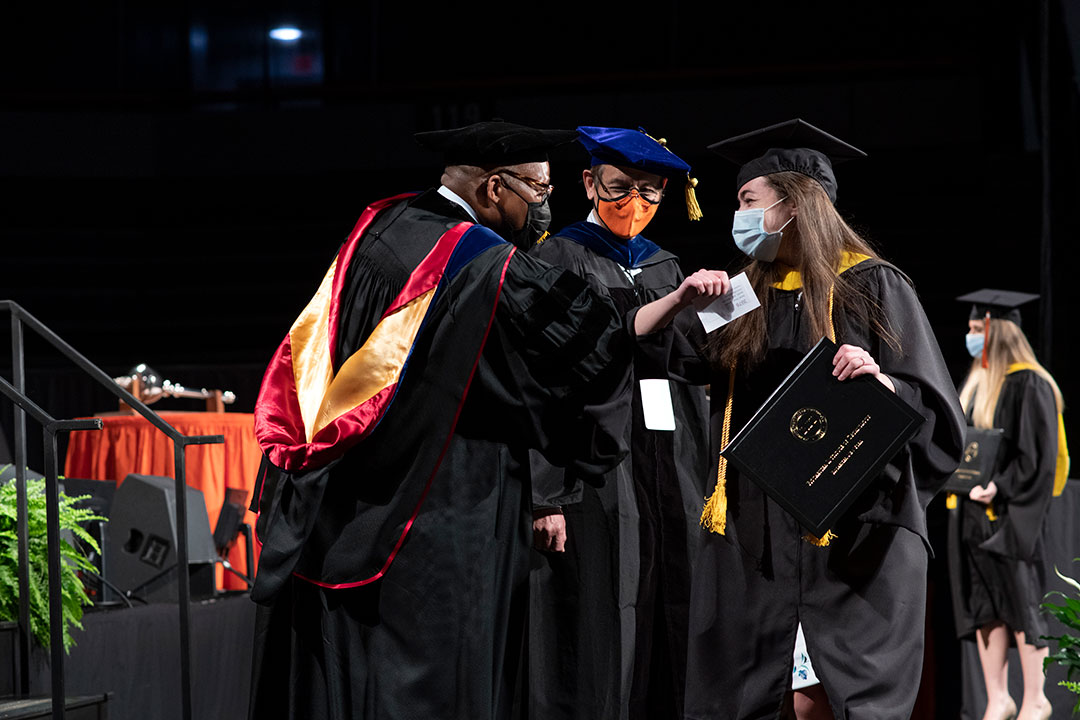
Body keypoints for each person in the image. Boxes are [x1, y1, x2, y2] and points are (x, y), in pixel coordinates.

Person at [246, 120, 636, 720]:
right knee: (434, 671)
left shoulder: (382, 225)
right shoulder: (480, 261)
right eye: (537, 189)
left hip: (351, 491)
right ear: (493, 189)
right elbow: (585, 351)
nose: (545, 205)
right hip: (447, 500)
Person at [681, 119, 966, 720]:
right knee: (740, 693)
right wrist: (686, 305)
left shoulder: (873, 284)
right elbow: (679, 367)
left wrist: (881, 382)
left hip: (856, 529)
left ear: (792, 204)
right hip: (753, 538)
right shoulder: (739, 293)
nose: (739, 216)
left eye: (748, 201)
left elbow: (936, 413)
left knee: (859, 700)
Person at [525, 126, 710, 720]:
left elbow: (687, 368)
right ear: (588, 182)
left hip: (670, 462)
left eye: (653, 193)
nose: (637, 204)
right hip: (597, 468)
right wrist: (545, 494)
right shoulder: (556, 258)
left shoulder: (664, 264)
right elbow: (542, 385)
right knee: (603, 613)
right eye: (621, 188)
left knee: (671, 605)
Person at [947, 288, 1069, 720]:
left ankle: (1036, 697)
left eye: (978, 329)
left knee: (1022, 601)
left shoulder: (1030, 383)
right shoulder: (979, 385)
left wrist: (998, 486)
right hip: (971, 515)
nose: (971, 336)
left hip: (1010, 516)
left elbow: (1037, 455)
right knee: (983, 606)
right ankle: (998, 698)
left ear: (997, 333)